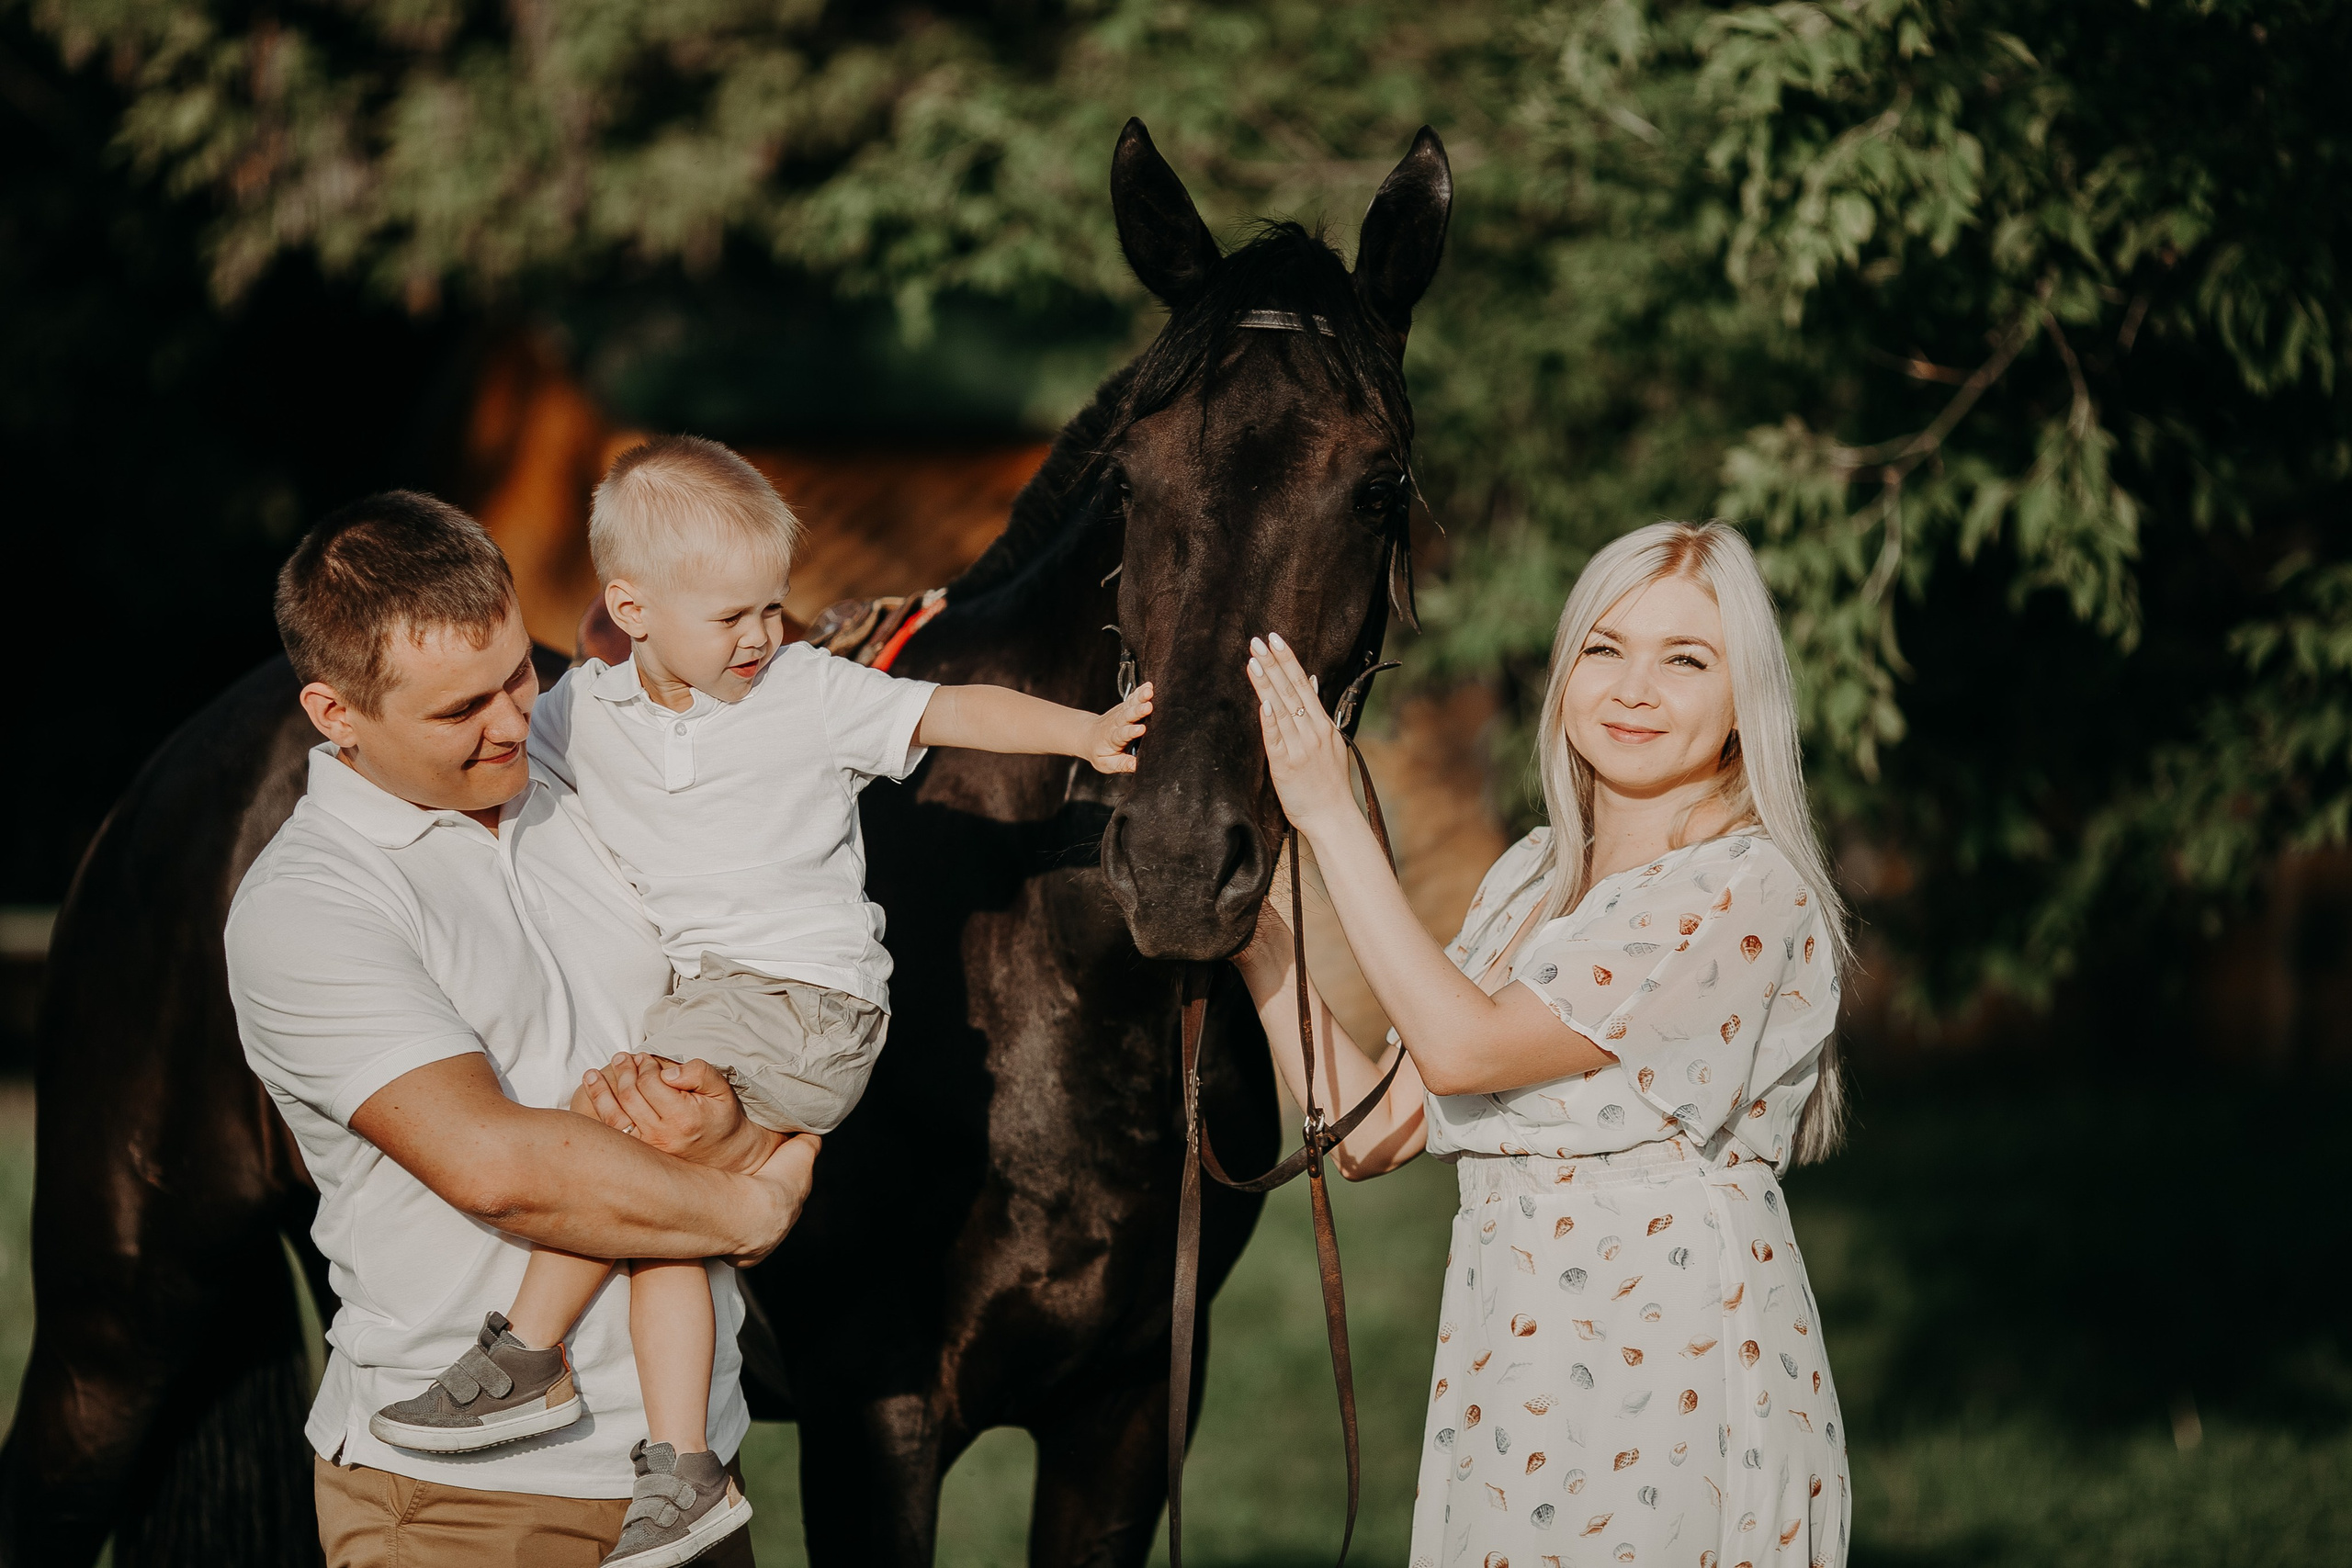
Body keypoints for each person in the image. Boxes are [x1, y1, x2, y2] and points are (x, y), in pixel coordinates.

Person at [367, 434, 1152, 1565]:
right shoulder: (582, 714)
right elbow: (484, 764)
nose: (761, 636)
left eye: (771, 609)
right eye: (731, 616)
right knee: (657, 1230)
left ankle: (524, 1355)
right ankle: (681, 1465)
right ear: (629, 607)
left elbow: (947, 713)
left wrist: (1082, 730)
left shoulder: (802, 695)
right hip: (720, 1004)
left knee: (611, 1154)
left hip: (805, 1003)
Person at [1237, 521, 1852, 1568]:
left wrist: (1332, 819)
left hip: (1668, 1357)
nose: (1633, 688)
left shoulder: (1741, 887)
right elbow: (1374, 1129)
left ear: (1745, 699)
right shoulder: (1527, 880)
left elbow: (1467, 1051)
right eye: (1604, 649)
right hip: (1512, 1354)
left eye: (1685, 659)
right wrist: (1252, 931)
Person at [226, 491, 813, 1568]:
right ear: (335, 713)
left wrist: (733, 1117)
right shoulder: (309, 905)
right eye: (460, 711)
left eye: (515, 674)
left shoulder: (586, 776)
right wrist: (749, 1204)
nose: (510, 723)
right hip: (467, 1509)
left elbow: (769, 968)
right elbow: (501, 1168)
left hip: (691, 1482)